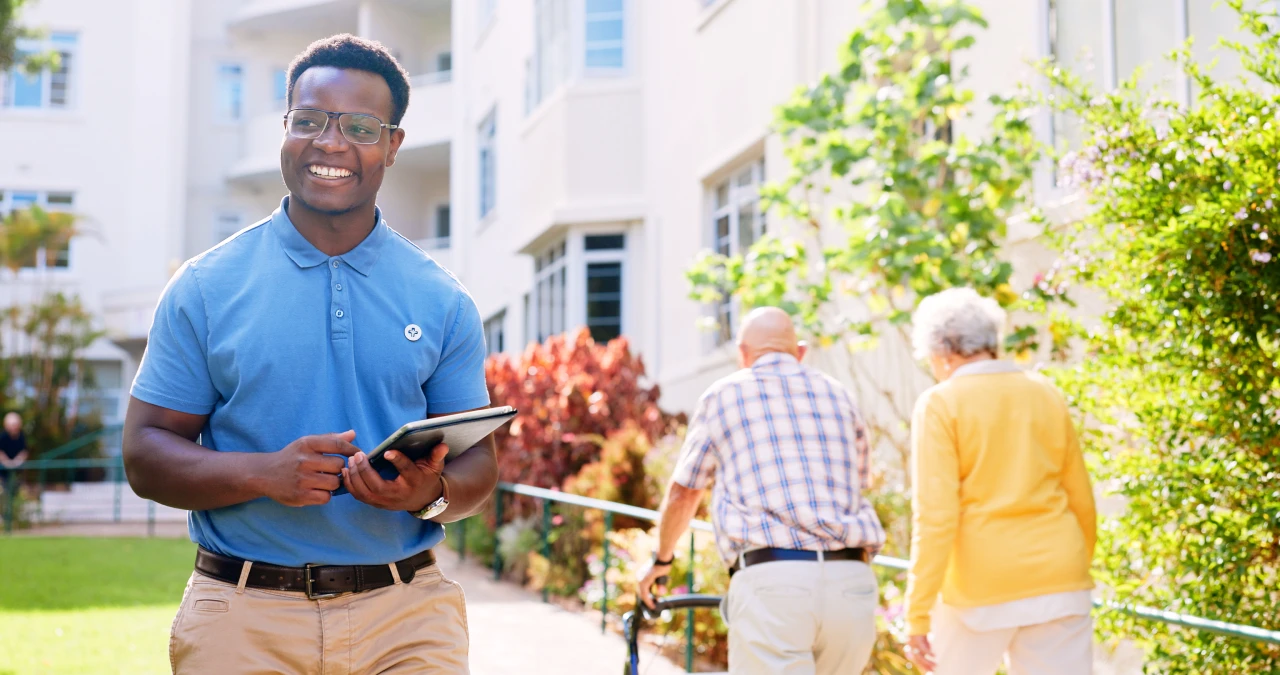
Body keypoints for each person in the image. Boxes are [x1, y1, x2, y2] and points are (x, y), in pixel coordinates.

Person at [122, 34, 496, 674]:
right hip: (243, 619)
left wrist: (425, 493)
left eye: (359, 126)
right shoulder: (206, 287)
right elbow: (145, 454)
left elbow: (479, 469)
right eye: (310, 120)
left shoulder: (442, 300)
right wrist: (263, 474)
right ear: (286, 129)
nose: (330, 142)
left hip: (407, 618)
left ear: (393, 146)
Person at [637, 307, 885, 674]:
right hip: (851, 583)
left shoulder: (724, 394)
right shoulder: (840, 395)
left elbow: (685, 492)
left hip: (775, 586)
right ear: (800, 352)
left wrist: (662, 560)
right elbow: (860, 483)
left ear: (742, 354)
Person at [903, 288, 1097, 675]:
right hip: (1060, 578)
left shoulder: (941, 403)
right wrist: (1072, 562)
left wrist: (917, 613)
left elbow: (937, 517)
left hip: (980, 588)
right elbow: (1081, 497)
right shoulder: (1045, 393)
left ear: (944, 350)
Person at [0, 412, 29, 488]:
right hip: (3, 472)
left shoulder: (21, 437)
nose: (14, 427)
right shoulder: (3, 437)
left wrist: (17, 461)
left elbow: (24, 452)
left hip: (17, 472)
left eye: (15, 424)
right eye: (12, 425)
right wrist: (7, 463)